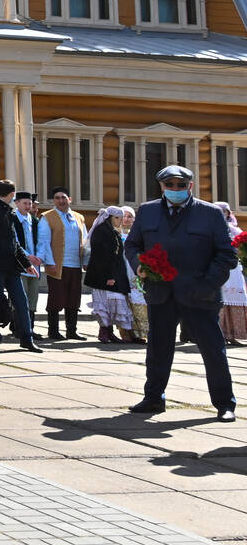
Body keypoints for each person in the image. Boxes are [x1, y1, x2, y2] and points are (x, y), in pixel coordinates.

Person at [125, 165, 237, 421]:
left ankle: (224, 404)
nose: (175, 189)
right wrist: (139, 264)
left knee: (213, 350)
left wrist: (207, 283)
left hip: (200, 293)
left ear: (191, 186)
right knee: (157, 349)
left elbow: (226, 255)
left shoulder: (210, 214)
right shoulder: (148, 211)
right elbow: (132, 245)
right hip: (161, 291)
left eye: (181, 185)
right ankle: (153, 398)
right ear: (162, 187)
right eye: (170, 185)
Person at [0, 180, 42, 352]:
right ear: (12, 195)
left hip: (11, 267)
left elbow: (13, 242)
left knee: (21, 302)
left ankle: (26, 338)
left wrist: (26, 264)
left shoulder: (7, 211)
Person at [42, 188, 89, 341]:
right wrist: (49, 262)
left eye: (63, 197)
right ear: (53, 201)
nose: (60, 201)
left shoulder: (79, 217)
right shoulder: (47, 217)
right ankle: (53, 331)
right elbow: (44, 242)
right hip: (57, 265)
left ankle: (72, 331)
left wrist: (86, 261)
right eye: (57, 198)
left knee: (74, 299)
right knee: (56, 298)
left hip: (75, 265)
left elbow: (86, 241)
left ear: (70, 199)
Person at [86, 205, 136, 343]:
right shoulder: (102, 231)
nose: (120, 220)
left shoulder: (112, 231)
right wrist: (109, 276)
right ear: (110, 218)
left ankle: (109, 332)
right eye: (117, 218)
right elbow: (103, 257)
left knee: (111, 305)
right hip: (103, 275)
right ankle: (104, 332)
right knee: (104, 304)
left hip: (113, 274)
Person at [13, 191, 51, 319]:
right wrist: (27, 256)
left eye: (30, 203)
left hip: (34, 264)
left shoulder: (34, 221)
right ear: (17, 203)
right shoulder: (12, 218)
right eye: (25, 203)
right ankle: (18, 327)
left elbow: (41, 240)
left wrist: (39, 256)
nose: (28, 206)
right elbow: (14, 241)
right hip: (19, 264)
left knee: (33, 296)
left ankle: (31, 327)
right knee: (20, 296)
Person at [215, 201, 247, 345]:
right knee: (221, 300)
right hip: (219, 268)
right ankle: (220, 333)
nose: (223, 214)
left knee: (236, 297)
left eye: (225, 211)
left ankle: (234, 334)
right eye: (219, 211)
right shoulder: (212, 228)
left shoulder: (235, 230)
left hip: (234, 269)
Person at [120, 207, 149, 343]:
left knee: (138, 298)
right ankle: (126, 332)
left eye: (130, 216)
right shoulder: (116, 233)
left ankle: (141, 332)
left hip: (134, 268)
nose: (126, 219)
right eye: (124, 216)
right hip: (121, 268)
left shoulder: (138, 234)